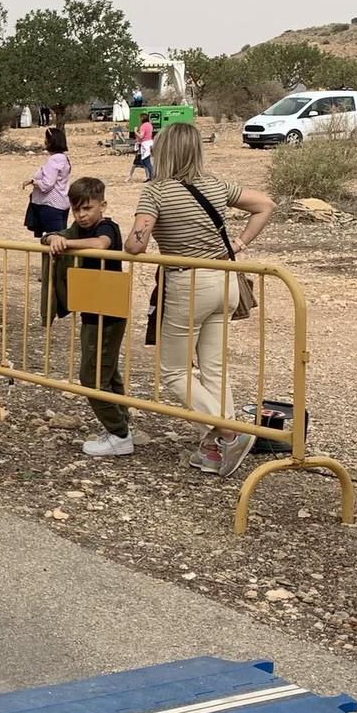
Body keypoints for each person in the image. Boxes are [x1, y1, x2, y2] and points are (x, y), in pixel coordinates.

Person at [126, 122, 276, 479]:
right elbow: (265, 205)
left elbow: (136, 244)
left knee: (174, 372)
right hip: (225, 280)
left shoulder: (156, 191)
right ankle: (216, 450)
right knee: (214, 369)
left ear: (162, 151)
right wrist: (238, 245)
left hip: (188, 283)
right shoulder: (216, 185)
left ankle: (230, 432)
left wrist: (135, 238)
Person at [44, 177, 131, 456]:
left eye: (87, 208)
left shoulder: (108, 227)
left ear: (102, 205)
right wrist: (53, 237)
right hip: (93, 308)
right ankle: (123, 424)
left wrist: (66, 244)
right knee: (109, 372)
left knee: (92, 377)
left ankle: (119, 434)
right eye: (76, 210)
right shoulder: (75, 230)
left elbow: (102, 243)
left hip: (108, 310)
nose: (81, 215)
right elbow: (52, 234)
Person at [26, 126, 72, 238]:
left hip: (50, 206)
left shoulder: (53, 160)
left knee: (52, 240)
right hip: (62, 203)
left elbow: (47, 185)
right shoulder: (63, 158)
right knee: (60, 236)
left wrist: (33, 181)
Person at [128, 116, 155, 182]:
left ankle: (152, 177)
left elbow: (141, 136)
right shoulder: (150, 125)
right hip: (150, 142)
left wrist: (135, 131)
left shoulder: (143, 126)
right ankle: (150, 176)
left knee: (146, 161)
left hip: (145, 144)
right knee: (147, 161)